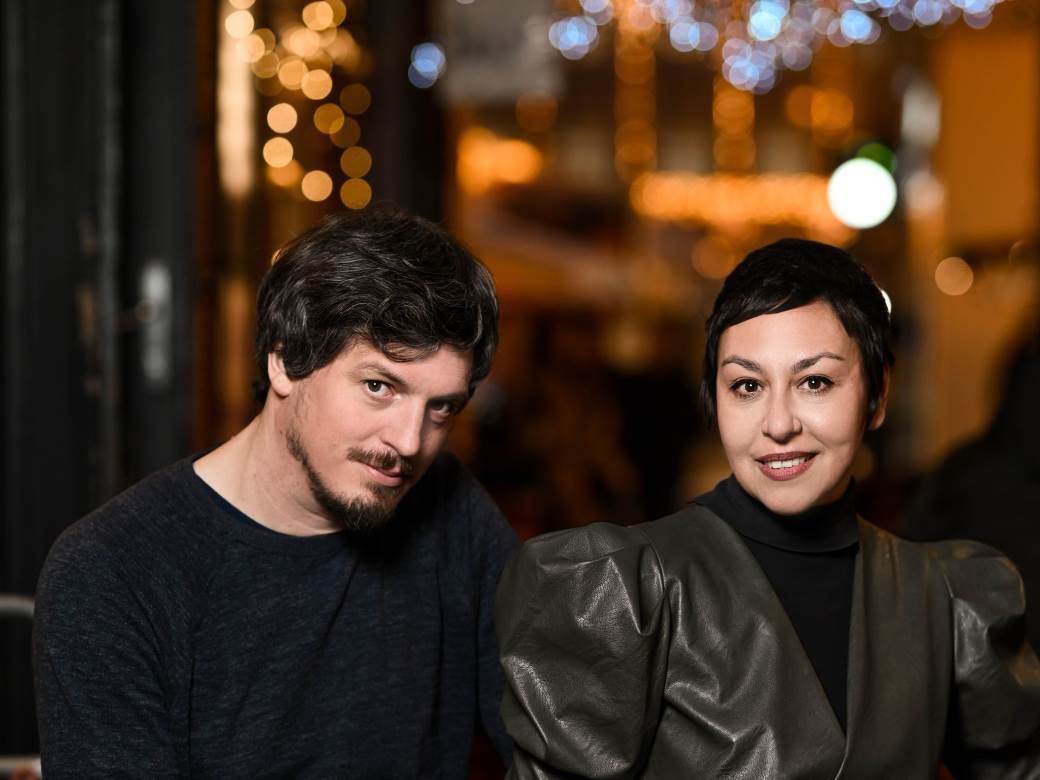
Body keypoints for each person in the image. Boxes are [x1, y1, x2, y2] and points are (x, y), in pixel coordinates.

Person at [495, 238, 1040, 777]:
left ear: (877, 396)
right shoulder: (625, 591)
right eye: (748, 385)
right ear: (714, 399)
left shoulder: (947, 597)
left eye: (815, 382)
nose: (778, 424)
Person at [34, 209, 518, 777]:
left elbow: (559, 731)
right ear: (286, 359)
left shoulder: (451, 509)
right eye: (379, 386)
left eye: (441, 408)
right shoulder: (112, 571)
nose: (409, 442)